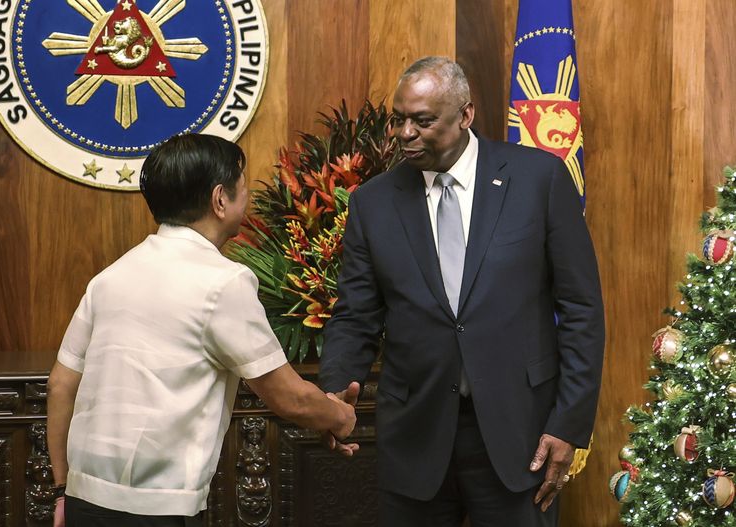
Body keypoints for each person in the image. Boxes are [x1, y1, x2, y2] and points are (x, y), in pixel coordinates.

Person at [319, 57, 604, 526]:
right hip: (415, 433)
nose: (405, 133)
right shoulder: (373, 203)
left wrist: (569, 423)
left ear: (465, 115)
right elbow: (355, 316)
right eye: (399, 119)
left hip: (521, 434)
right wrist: (333, 393)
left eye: (423, 120)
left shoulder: (539, 180)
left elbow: (580, 310)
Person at [47, 133, 359, 527]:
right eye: (242, 188)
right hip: (157, 511)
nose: (245, 198)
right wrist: (340, 417)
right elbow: (290, 398)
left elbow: (60, 385)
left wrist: (62, 491)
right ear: (220, 200)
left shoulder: (110, 277)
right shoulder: (225, 282)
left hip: (82, 500)